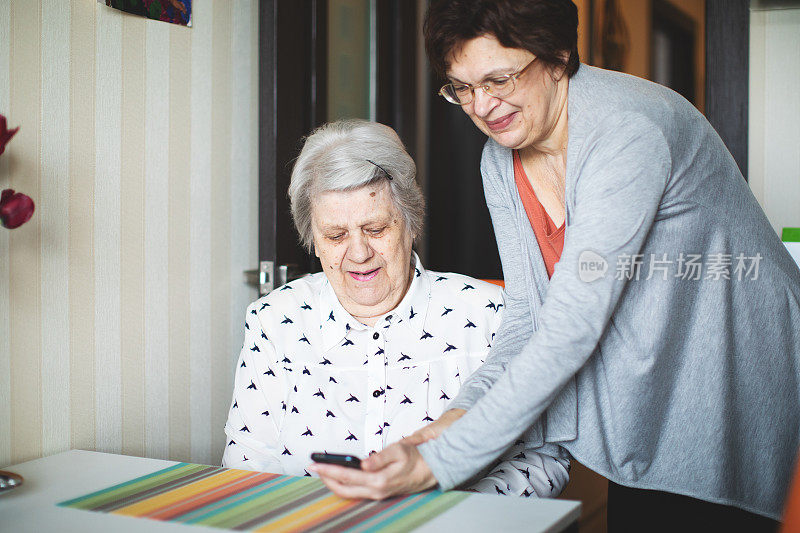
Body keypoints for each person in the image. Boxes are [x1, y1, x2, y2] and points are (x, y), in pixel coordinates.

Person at [311, 1, 800, 529]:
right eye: (462, 87)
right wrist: (452, 423)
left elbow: (571, 325)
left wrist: (438, 464)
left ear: (558, 54)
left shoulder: (626, 131)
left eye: (499, 79)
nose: (482, 105)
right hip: (659, 388)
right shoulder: (500, 160)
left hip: (734, 372)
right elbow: (527, 319)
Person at [222, 119, 570, 498]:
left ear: (410, 223)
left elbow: (541, 461)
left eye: (375, 229)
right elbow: (246, 468)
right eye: (336, 236)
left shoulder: (490, 315)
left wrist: (444, 519)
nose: (358, 254)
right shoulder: (272, 321)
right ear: (314, 241)